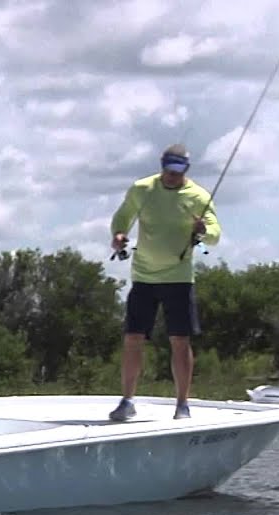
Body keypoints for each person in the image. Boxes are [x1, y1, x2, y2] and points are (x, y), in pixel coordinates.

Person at [109, 143, 221, 421]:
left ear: (186, 169)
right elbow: (123, 216)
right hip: (143, 275)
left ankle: (182, 404)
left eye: (178, 170)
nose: (172, 175)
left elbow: (215, 234)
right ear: (162, 165)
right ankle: (127, 400)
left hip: (179, 278)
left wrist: (204, 231)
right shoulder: (142, 189)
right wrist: (119, 234)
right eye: (169, 169)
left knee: (179, 340)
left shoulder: (198, 196)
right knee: (133, 337)